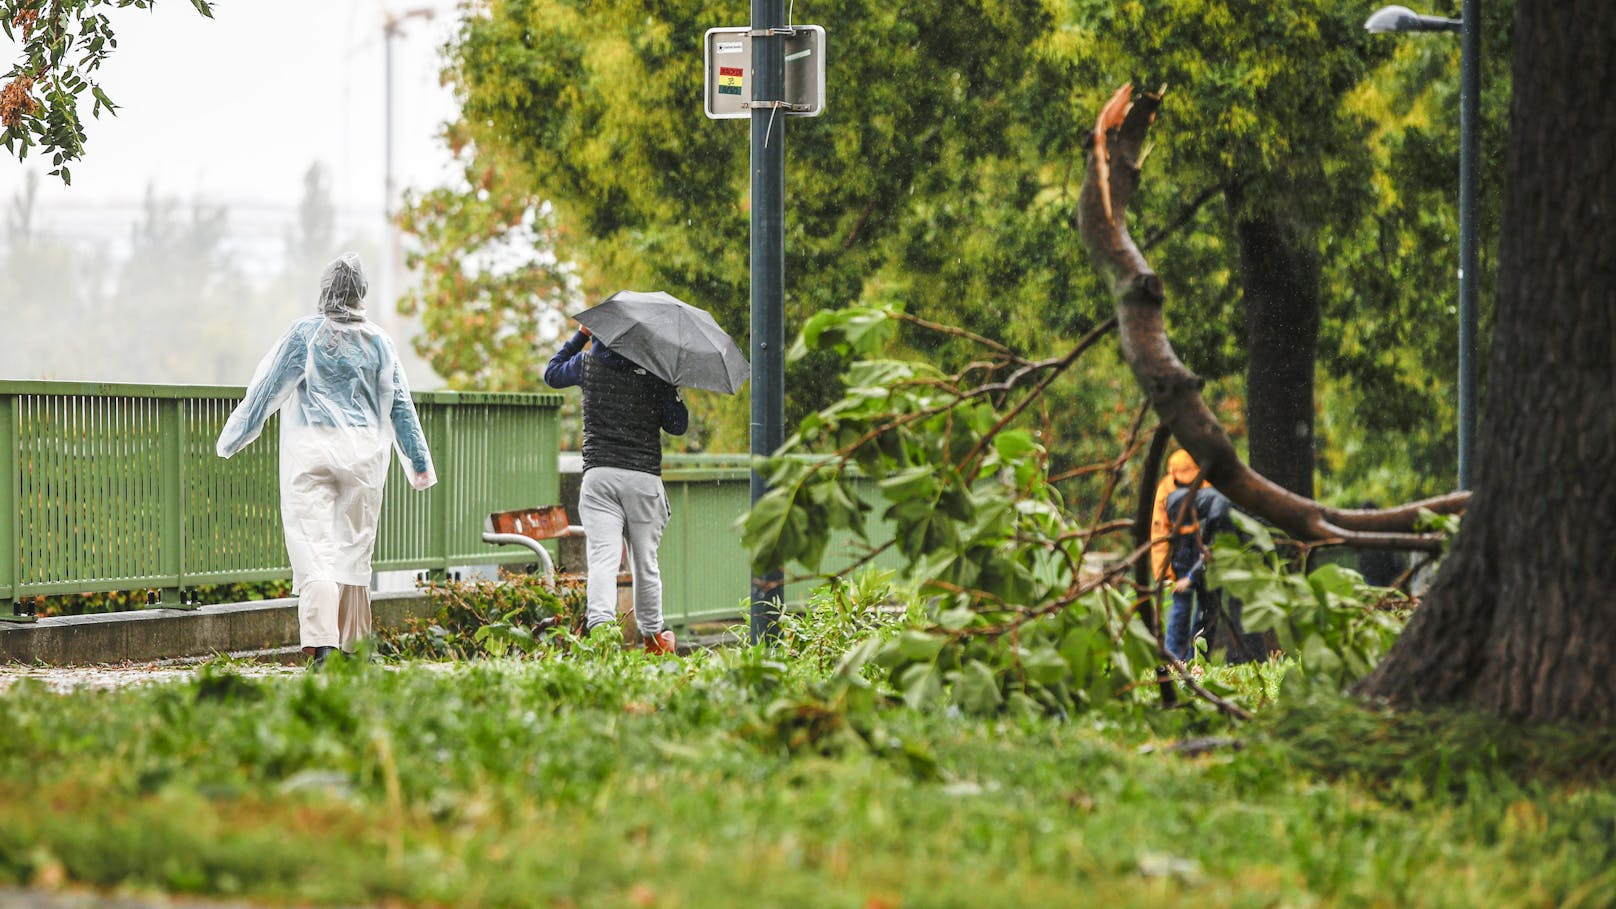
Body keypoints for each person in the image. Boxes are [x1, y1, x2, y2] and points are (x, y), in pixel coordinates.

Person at [216, 253, 436, 668]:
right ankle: (356, 647)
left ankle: (323, 646)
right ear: (361, 295)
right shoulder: (379, 342)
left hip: (311, 451)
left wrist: (234, 437)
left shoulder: (305, 335)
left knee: (314, 548)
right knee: (354, 550)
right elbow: (401, 406)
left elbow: (266, 391)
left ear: (324, 292)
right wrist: (419, 464)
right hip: (364, 456)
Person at [544, 322, 688, 653]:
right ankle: (653, 639)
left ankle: (602, 636)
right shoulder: (656, 371)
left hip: (600, 476)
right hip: (643, 478)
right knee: (645, 562)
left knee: (603, 561)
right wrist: (671, 383)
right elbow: (678, 425)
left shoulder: (587, 364)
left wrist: (581, 335)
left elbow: (551, 374)